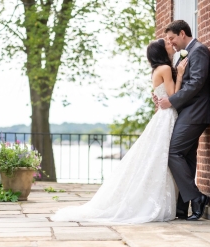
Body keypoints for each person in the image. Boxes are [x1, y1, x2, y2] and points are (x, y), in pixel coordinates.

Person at [51, 38, 188, 223]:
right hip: (167, 117)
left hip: (164, 117)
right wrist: (179, 74)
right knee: (161, 158)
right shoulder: (165, 69)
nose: (170, 45)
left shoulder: (158, 70)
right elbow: (173, 96)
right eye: (166, 44)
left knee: (160, 158)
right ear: (160, 51)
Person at [158, 20, 210, 221]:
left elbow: (197, 83)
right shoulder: (187, 53)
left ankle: (197, 197)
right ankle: (182, 208)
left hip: (196, 111)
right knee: (187, 157)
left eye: (172, 38)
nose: (171, 42)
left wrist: (171, 101)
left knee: (173, 152)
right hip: (188, 111)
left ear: (182, 33)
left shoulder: (198, 50)